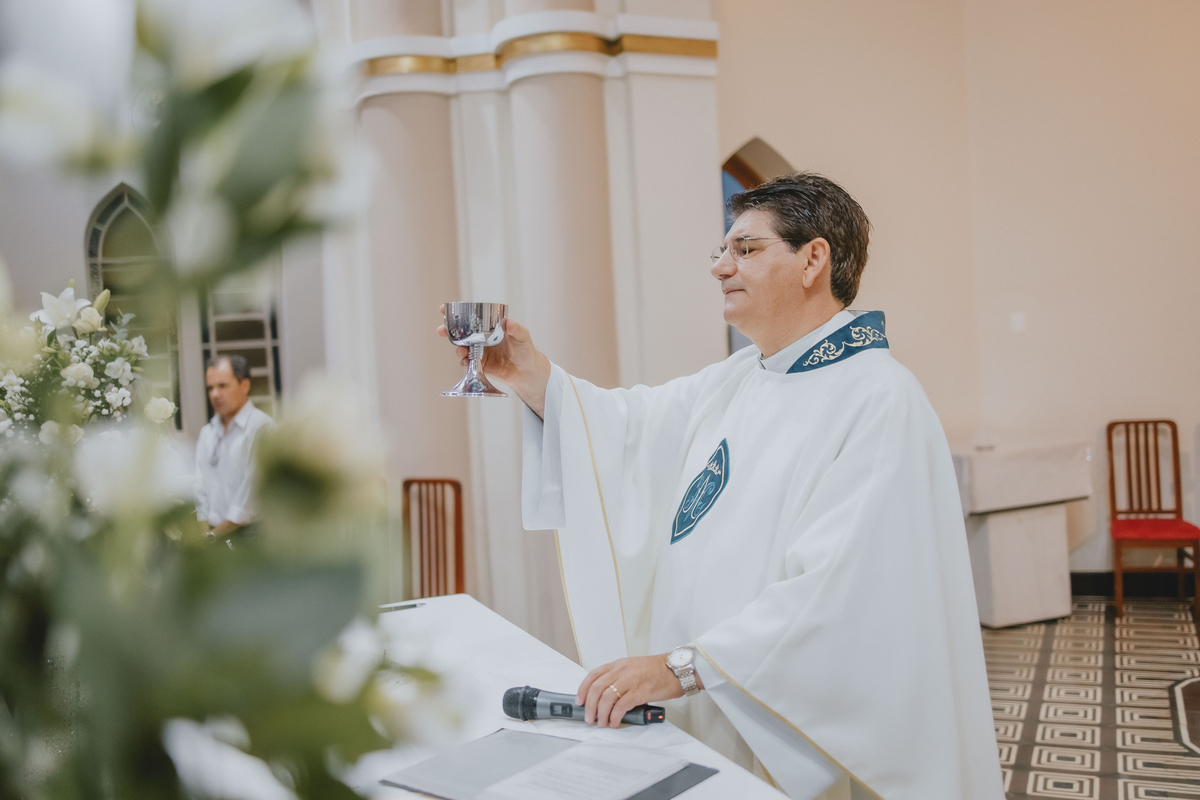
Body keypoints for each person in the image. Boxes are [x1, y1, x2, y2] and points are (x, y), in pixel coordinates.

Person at [441, 172, 1002, 800]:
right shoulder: (743, 375)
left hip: (778, 721)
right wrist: (528, 373)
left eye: (746, 249)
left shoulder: (878, 399)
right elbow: (628, 432)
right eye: (722, 250)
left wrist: (685, 667)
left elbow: (842, 593)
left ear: (813, 259)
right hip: (706, 703)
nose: (720, 267)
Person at [194, 355, 273, 543]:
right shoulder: (207, 432)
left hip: (250, 537)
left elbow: (251, 497)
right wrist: (205, 535)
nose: (215, 394)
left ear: (244, 386)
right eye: (210, 388)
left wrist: (213, 537)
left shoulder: (262, 428)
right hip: (212, 537)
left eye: (222, 386)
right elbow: (199, 489)